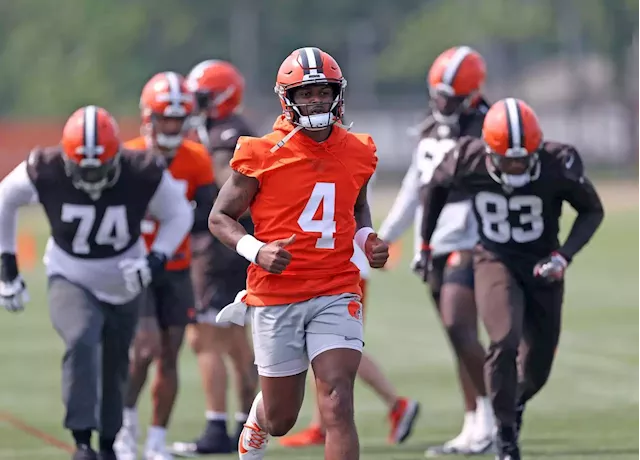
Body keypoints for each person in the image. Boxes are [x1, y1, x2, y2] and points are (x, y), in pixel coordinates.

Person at [208, 46, 388, 460]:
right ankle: (259, 419)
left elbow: (355, 208)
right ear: (287, 98)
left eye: (323, 92)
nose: (316, 101)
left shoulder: (358, 149)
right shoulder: (260, 153)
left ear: (337, 94)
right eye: (305, 93)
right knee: (281, 418)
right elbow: (219, 218)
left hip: (336, 288)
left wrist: (367, 241)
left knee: (338, 400)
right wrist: (257, 250)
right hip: (277, 294)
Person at [0, 106, 193, 460]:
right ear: (67, 157)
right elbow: (4, 199)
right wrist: (7, 266)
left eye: (99, 167)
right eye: (83, 167)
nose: (91, 177)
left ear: (116, 156)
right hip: (70, 274)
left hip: (125, 279)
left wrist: (155, 258)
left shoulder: (141, 170)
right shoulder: (45, 166)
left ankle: (107, 442)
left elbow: (179, 212)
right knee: (81, 337)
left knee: (118, 361)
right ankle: (82, 442)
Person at [419, 98, 604, 460]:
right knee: (503, 341)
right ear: (489, 150)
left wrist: (563, 255)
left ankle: (513, 405)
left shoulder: (558, 162)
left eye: (523, 157)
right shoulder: (466, 157)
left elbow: (591, 210)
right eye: (508, 158)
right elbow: (434, 188)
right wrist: (426, 244)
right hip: (494, 259)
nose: (516, 165)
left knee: (536, 370)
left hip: (542, 265)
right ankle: (505, 439)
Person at [377, 46, 494, 456]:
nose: (442, 104)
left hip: (473, 239)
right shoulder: (430, 128)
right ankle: (473, 422)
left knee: (460, 325)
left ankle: (494, 416)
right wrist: (387, 233)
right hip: (434, 241)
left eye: (450, 97)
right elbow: (415, 187)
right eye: (438, 95)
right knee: (455, 335)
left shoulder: (487, 125)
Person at [113, 72, 216, 460]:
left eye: (178, 119)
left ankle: (156, 439)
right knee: (143, 351)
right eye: (165, 118)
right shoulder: (128, 155)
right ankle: (126, 430)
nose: (171, 126)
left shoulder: (196, 159)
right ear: (148, 117)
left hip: (176, 269)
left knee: (170, 356)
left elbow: (208, 213)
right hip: (136, 269)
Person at [279, 184, 420, 448]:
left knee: (333, 344)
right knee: (321, 345)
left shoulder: (346, 152)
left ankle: (396, 403)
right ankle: (321, 425)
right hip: (330, 263)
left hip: (342, 265)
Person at [170, 60, 258, 456]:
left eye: (200, 98)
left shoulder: (227, 133)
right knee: (235, 338)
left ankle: (216, 427)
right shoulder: (218, 129)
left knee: (204, 338)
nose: (194, 106)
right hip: (236, 243)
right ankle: (244, 423)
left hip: (219, 245)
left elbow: (225, 183)